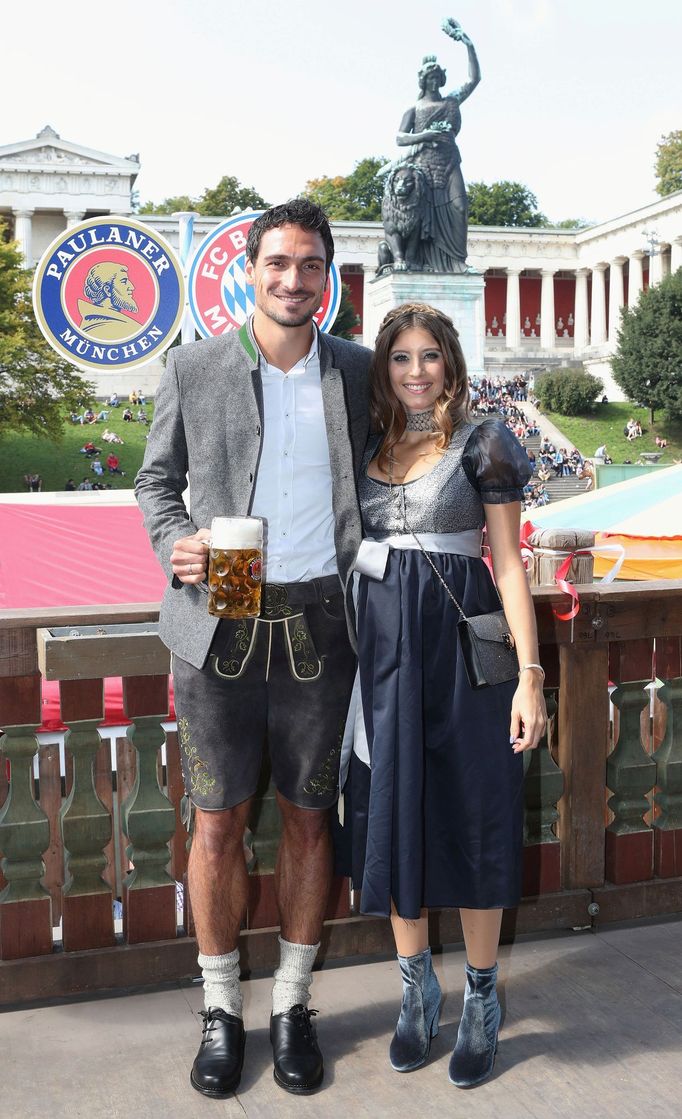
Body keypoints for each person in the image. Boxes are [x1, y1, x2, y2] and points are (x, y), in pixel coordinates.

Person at [135, 200, 372, 1099]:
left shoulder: (355, 370)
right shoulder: (194, 365)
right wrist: (175, 544)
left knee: (313, 821)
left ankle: (295, 1003)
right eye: (278, 263)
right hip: (217, 625)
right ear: (250, 269)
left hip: (321, 625)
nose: (293, 280)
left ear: (327, 276)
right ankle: (222, 1008)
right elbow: (155, 483)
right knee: (217, 822)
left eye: (310, 265)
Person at [344, 303, 546, 1091]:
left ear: (452, 361)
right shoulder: (369, 444)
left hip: (469, 660)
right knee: (393, 813)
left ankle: (484, 998)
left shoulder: (482, 441)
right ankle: (417, 986)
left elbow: (508, 564)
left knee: (473, 817)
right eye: (400, 357)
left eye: (429, 355)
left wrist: (530, 676)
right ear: (383, 368)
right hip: (386, 661)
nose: (416, 370)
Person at [389, 18, 480, 273]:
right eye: (429, 77)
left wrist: (468, 44)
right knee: (423, 220)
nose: (434, 81)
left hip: (450, 161)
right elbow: (399, 138)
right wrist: (425, 135)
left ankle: (457, 262)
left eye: (437, 77)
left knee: (460, 207)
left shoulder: (452, 101)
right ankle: (426, 261)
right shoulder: (414, 109)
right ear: (423, 80)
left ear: (441, 79)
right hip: (423, 167)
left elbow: (474, 79)